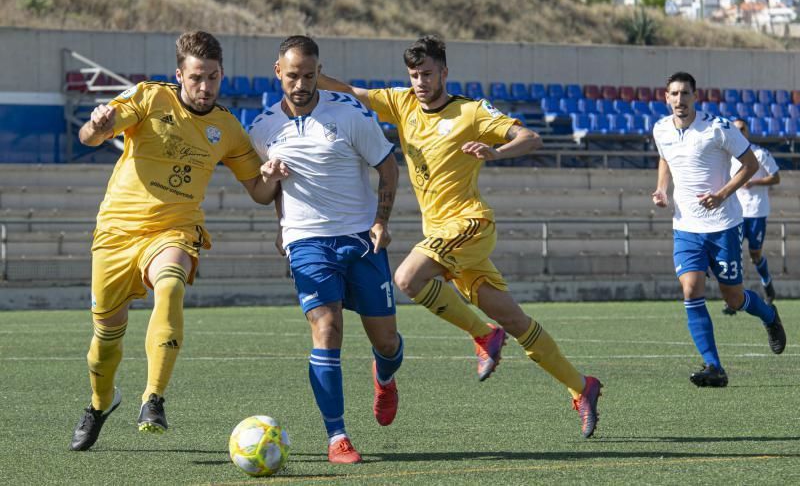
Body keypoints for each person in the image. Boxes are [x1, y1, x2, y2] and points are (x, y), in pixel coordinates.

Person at [318, 35, 603, 438]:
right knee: (515, 320)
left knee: (407, 278)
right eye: (414, 74)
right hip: (444, 239)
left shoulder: (470, 112)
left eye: (428, 74)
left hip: (469, 224)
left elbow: (530, 138)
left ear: (445, 73)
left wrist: (495, 153)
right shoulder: (401, 103)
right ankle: (581, 386)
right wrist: (312, 77)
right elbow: (353, 92)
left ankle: (483, 335)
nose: (420, 82)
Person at [69, 31, 277, 451]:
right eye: (197, 77)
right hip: (116, 233)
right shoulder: (149, 98)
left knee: (170, 284)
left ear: (222, 76)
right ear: (179, 74)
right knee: (104, 341)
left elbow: (258, 191)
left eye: (213, 78)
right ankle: (100, 403)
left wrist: (270, 179)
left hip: (174, 230)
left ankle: (153, 398)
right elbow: (90, 137)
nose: (205, 88)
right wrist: (97, 125)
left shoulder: (228, 129)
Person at [249, 35, 403, 464]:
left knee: (387, 342)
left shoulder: (349, 114)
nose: (301, 84)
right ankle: (337, 436)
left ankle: (385, 377)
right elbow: (262, 192)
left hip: (360, 239)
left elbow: (388, 166)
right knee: (327, 326)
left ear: (320, 71)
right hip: (307, 241)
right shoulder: (261, 128)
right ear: (278, 71)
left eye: (309, 75)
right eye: (292, 75)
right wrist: (273, 187)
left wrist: (381, 221)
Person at [651, 72, 786, 388]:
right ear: (666, 97)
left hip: (723, 225)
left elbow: (750, 165)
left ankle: (769, 316)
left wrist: (722, 194)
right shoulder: (660, 129)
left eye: (685, 93)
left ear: (696, 97)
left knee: (734, 298)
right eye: (674, 94)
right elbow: (665, 158)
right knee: (690, 288)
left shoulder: (718, 128)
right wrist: (661, 190)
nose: (680, 100)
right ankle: (714, 366)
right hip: (685, 225)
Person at [721, 118, 780, 315]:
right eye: (736, 129)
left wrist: (755, 182)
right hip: (736, 213)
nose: (739, 131)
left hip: (756, 211)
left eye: (742, 128)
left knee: (755, 254)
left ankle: (766, 282)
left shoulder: (760, 153)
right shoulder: (729, 155)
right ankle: (732, 301)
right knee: (733, 256)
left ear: (747, 131)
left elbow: (776, 177)